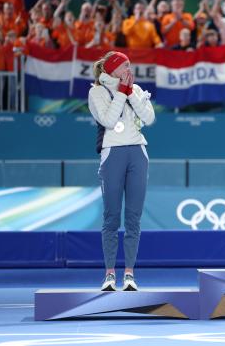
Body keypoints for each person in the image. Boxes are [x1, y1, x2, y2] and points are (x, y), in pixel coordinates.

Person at [88, 51, 155, 291]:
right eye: (124, 65)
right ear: (112, 69)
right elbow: (107, 120)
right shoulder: (96, 92)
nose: (129, 68)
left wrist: (131, 93)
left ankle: (129, 274)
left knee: (133, 218)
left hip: (137, 152)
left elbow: (149, 118)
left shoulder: (135, 89)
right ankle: (109, 275)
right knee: (111, 217)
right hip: (112, 154)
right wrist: (121, 93)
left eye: (129, 64)